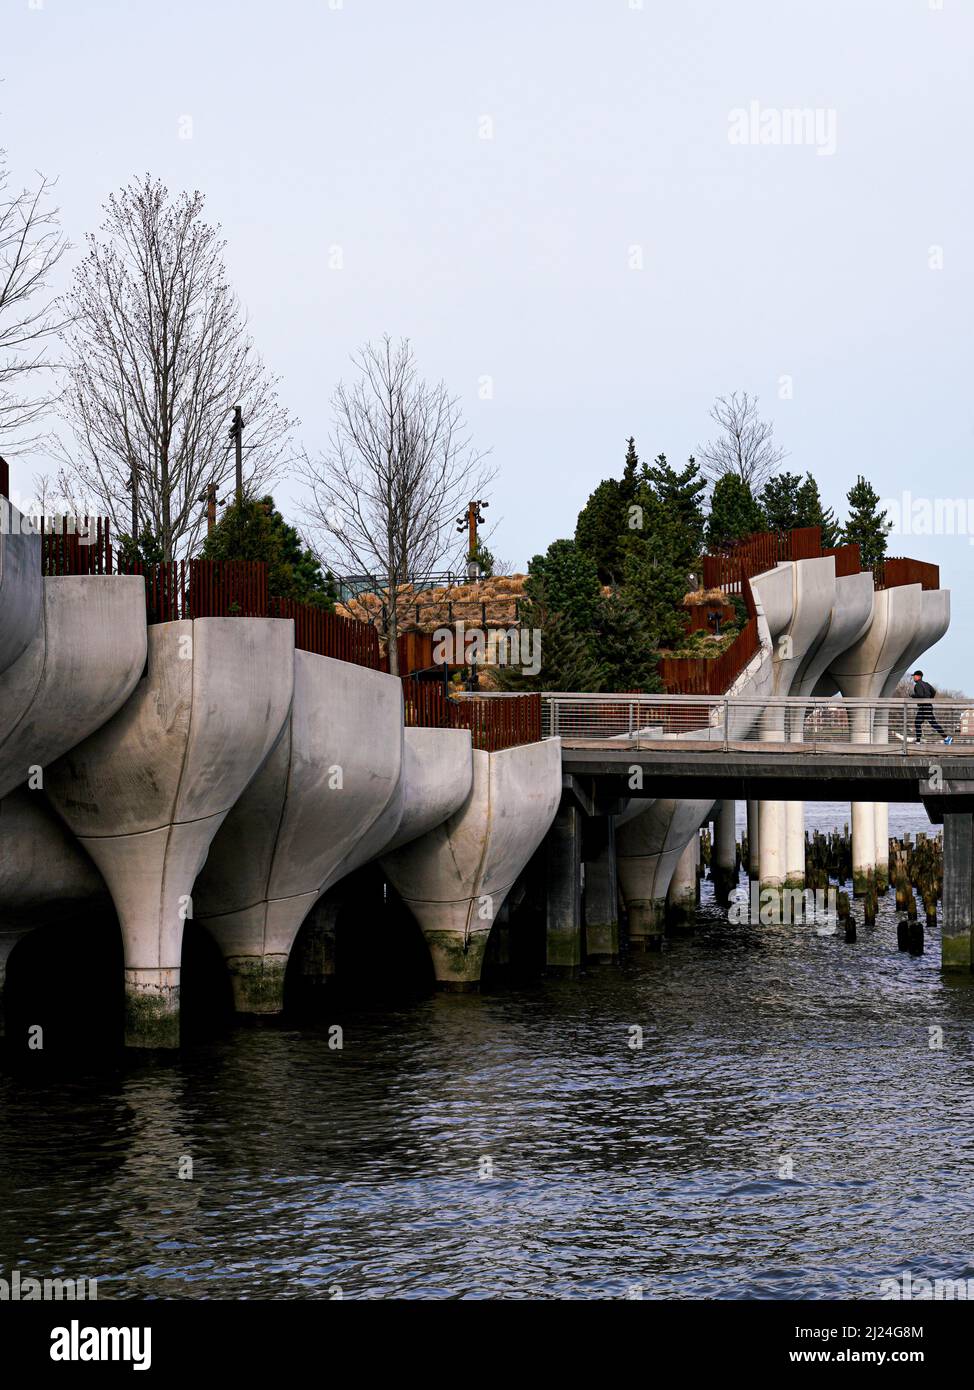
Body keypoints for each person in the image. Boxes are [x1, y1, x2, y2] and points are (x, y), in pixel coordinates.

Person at [911, 670, 952, 744]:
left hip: (924, 708)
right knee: (920, 722)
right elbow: (933, 692)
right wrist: (929, 699)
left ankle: (946, 738)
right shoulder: (926, 684)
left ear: (918, 677)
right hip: (928, 706)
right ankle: (918, 741)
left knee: (922, 723)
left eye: (914, 676)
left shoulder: (917, 685)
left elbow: (920, 695)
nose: (913, 677)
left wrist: (912, 695)